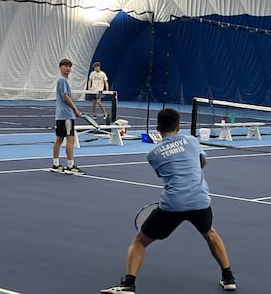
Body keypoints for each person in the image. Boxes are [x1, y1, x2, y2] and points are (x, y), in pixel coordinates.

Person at [101, 108, 236, 293]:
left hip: (173, 205)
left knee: (139, 241)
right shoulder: (192, 140)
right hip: (200, 200)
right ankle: (228, 278)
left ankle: (128, 284)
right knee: (210, 233)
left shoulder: (153, 154)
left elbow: (165, 174)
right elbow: (202, 163)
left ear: (158, 128)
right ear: (179, 126)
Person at [52, 58, 85, 174]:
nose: (68, 68)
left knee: (59, 139)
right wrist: (75, 109)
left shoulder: (61, 80)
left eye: (69, 66)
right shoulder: (62, 80)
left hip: (61, 115)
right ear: (60, 67)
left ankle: (56, 164)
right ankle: (70, 166)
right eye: (65, 66)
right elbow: (65, 97)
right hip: (66, 115)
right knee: (70, 139)